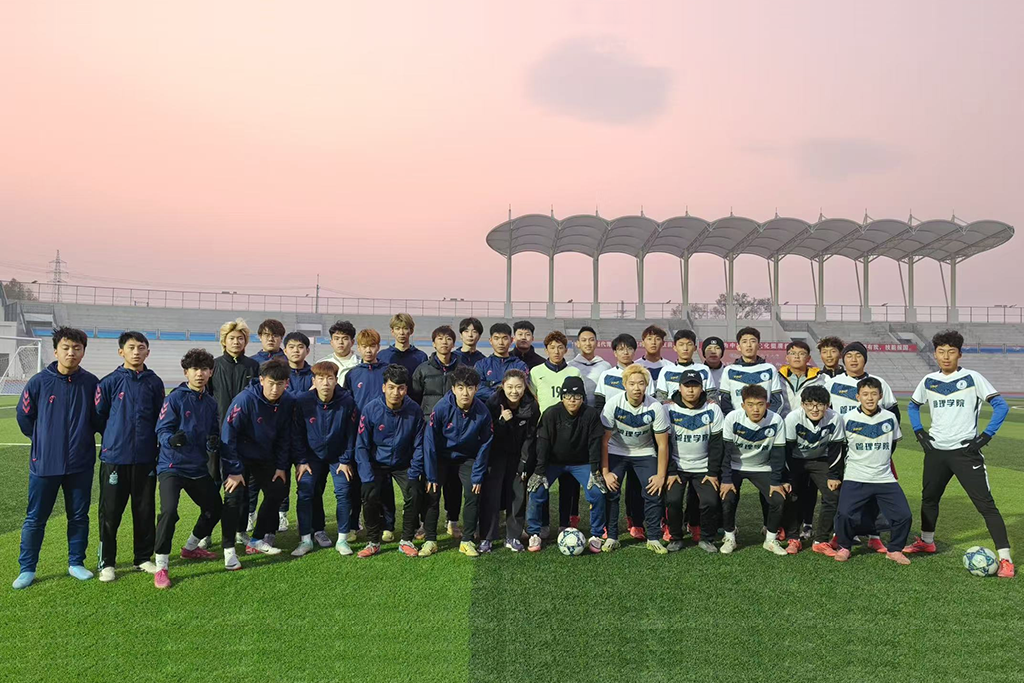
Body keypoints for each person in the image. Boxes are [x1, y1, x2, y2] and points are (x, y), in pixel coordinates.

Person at [903, 330, 1013, 577]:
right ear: (935, 354)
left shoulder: (972, 378)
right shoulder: (929, 380)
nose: (946, 356)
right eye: (941, 351)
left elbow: (1000, 406)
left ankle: (1005, 559)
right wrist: (919, 432)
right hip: (936, 452)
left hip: (965, 453)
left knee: (986, 505)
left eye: (951, 352)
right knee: (929, 499)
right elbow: (913, 406)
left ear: (959, 354)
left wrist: (985, 436)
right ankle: (927, 542)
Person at [13, 327, 100, 590]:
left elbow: (98, 419)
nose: (71, 352)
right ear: (55, 351)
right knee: (35, 518)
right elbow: (24, 417)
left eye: (76, 348)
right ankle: (27, 568)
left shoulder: (91, 383)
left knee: (79, 516)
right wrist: (43, 441)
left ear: (83, 352)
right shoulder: (38, 382)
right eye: (66, 348)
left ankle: (76, 563)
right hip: (44, 464)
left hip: (80, 463)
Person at [152, 349, 233, 588]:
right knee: (169, 512)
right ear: (186, 372)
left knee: (215, 508)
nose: (200, 374)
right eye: (195, 369)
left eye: (204, 369)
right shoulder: (175, 398)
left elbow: (212, 432)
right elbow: (162, 429)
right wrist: (170, 440)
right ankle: (161, 566)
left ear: (211, 372)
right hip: (172, 466)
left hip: (197, 467)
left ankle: (190, 547)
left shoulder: (210, 402)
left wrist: (212, 442)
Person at [94, 331, 165, 582]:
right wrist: (115, 438)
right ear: (121, 351)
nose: (136, 352)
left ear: (148, 352)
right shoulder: (109, 382)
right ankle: (107, 562)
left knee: (144, 511)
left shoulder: (154, 382)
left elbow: (159, 416)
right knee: (110, 513)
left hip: (145, 458)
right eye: (131, 347)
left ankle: (143, 558)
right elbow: (99, 416)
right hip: (115, 458)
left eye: (141, 347)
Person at [220, 360, 299, 556]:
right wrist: (234, 470)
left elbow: (285, 436)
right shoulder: (245, 399)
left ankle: (256, 539)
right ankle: (230, 544)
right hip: (239, 456)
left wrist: (281, 466)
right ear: (262, 380)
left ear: (286, 383)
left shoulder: (287, 401)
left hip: (264, 457)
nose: (275, 389)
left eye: (280, 384)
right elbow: (228, 434)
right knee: (235, 496)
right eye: (271, 383)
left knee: (278, 490)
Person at [415, 365, 493, 557]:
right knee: (432, 492)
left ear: (476, 388)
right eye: (460, 387)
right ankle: (430, 540)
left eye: (470, 388)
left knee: (473, 492)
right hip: (442, 457)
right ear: (453, 389)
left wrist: (477, 475)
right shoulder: (442, 407)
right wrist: (431, 475)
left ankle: (467, 541)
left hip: (467, 457)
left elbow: (485, 444)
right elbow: (430, 442)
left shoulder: (482, 411)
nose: (465, 393)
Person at [834, 377, 912, 565]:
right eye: (865, 394)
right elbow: (840, 448)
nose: (869, 398)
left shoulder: (890, 418)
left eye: (874, 394)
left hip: (884, 477)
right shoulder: (847, 419)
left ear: (880, 396)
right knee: (844, 514)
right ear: (858, 396)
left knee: (904, 515)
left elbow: (892, 444)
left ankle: (894, 550)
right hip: (855, 476)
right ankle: (844, 546)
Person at [527, 376, 606, 554]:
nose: (572, 400)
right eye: (568, 396)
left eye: (577, 396)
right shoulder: (551, 413)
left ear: (583, 398)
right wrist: (539, 470)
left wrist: (595, 470)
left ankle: (596, 534)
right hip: (553, 462)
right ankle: (534, 532)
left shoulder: (591, 414)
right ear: (562, 397)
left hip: (582, 463)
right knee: (536, 490)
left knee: (597, 492)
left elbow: (595, 444)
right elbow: (543, 443)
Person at [355, 364, 426, 558]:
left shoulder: (414, 410)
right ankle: (373, 542)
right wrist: (367, 475)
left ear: (406, 389)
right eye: (392, 387)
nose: (396, 393)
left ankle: (406, 540)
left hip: (403, 463)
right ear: (384, 387)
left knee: (415, 492)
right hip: (377, 464)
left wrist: (414, 472)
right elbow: (361, 445)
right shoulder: (371, 409)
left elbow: (419, 445)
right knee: (369, 494)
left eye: (400, 388)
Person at [600, 364, 670, 555]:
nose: (636, 388)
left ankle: (653, 538)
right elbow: (604, 441)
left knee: (653, 490)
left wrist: (660, 476)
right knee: (611, 491)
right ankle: (612, 537)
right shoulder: (613, 404)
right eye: (632, 384)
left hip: (644, 451)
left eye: (640, 383)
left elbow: (662, 445)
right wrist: (605, 473)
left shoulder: (655, 407)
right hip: (616, 450)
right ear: (624, 385)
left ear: (646, 385)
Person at [292, 361, 359, 556]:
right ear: (313, 381)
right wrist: (301, 461)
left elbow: (351, 433)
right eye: (320, 378)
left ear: (336, 380)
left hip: (338, 456)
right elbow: (297, 434)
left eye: (330, 378)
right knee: (305, 492)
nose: (325, 383)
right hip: (311, 457)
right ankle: (305, 540)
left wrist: (345, 460)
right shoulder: (303, 401)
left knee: (343, 492)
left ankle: (342, 539)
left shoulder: (347, 401)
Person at [207, 317, 260, 549]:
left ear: (246, 341)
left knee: (242, 487)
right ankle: (206, 532)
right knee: (212, 485)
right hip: (216, 436)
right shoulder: (213, 365)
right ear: (223, 341)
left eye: (240, 338)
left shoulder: (253, 366)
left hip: (243, 438)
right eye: (232, 338)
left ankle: (240, 531)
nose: (236, 342)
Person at [719, 384, 789, 556]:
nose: (755, 409)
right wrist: (726, 479)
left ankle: (770, 539)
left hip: (763, 466)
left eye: (760, 404)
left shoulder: (776, 420)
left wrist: (776, 481)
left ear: (767, 405)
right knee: (727, 497)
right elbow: (725, 452)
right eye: (750, 405)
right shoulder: (732, 418)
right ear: (743, 405)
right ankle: (730, 536)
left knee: (778, 498)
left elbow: (779, 453)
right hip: (735, 465)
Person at [594, 333, 649, 540]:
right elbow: (599, 404)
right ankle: (608, 526)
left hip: (638, 440)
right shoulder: (607, 375)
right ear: (614, 352)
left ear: (635, 351)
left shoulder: (643, 375)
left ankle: (636, 522)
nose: (625, 352)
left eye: (629, 348)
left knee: (636, 486)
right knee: (611, 485)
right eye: (620, 349)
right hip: (613, 440)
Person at [412, 325, 464, 537]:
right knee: (430, 481)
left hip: (455, 434)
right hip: (430, 434)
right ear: (433, 343)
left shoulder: (462, 369)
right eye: (440, 338)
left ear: (454, 343)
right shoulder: (422, 369)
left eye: (448, 339)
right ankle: (426, 523)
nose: (444, 342)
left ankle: (452, 521)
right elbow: (415, 400)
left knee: (454, 482)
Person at [664, 370, 724, 554]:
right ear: (679, 388)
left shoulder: (712, 409)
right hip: (677, 467)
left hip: (703, 467)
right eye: (687, 386)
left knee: (710, 502)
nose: (691, 390)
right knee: (673, 500)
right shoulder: (668, 410)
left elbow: (717, 444)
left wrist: (712, 472)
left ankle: (706, 538)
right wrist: (671, 471)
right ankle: (676, 537)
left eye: (695, 386)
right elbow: (664, 444)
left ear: (702, 388)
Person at [782, 386, 845, 556]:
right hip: (796, 459)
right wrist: (788, 478)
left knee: (833, 495)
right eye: (810, 404)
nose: (815, 409)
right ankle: (793, 537)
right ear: (802, 404)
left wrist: (833, 475)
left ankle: (821, 540)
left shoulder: (835, 418)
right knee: (792, 493)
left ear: (827, 405)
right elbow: (786, 450)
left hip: (821, 460)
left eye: (820, 404)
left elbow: (836, 449)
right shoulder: (793, 418)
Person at [344, 328, 394, 540]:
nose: (368, 350)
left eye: (372, 346)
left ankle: (387, 525)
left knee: (385, 483)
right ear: (358, 348)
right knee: (358, 483)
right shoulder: (352, 374)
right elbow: (348, 406)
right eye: (364, 346)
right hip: (361, 436)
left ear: (378, 347)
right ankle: (354, 525)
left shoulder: (387, 371)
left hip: (384, 436)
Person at [529, 331, 583, 531]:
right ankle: (543, 524)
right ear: (546, 350)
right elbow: (535, 398)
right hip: (545, 433)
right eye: (552, 347)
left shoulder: (574, 372)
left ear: (566, 350)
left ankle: (564, 524)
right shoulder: (536, 372)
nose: (556, 351)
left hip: (569, 433)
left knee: (568, 483)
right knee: (542, 480)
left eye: (560, 347)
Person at [481, 369, 538, 552]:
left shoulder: (531, 405)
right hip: (496, 455)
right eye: (510, 387)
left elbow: (530, 438)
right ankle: (487, 537)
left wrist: (524, 463)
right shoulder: (493, 402)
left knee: (517, 495)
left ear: (524, 387)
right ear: (503, 386)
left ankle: (513, 536)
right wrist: (501, 421)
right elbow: (488, 434)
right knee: (492, 495)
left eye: (518, 387)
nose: (514, 391)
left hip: (518, 455)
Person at [718, 326, 785, 416]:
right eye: (744, 341)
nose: (749, 345)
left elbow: (777, 401)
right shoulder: (729, 370)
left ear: (759, 345)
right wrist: (737, 419)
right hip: (738, 422)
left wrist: (765, 418)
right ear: (738, 347)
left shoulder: (769, 369)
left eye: (753, 341)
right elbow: (724, 402)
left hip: (765, 421)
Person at [474, 322, 528, 403]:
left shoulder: (520, 365)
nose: (501, 343)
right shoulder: (481, 365)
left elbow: (524, 388)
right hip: (488, 408)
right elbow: (477, 388)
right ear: (490, 340)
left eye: (505, 338)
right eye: (496, 338)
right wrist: (500, 394)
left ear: (511, 340)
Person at [656, 329, 716, 400]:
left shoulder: (704, 370)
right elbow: (660, 399)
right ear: (675, 348)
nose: (685, 348)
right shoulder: (666, 371)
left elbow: (712, 398)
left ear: (695, 348)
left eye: (689, 344)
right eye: (681, 344)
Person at [567, 326, 611, 407]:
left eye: (591, 340)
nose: (588, 343)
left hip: (600, 410)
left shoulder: (605, 366)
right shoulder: (570, 366)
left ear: (596, 343)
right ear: (577, 344)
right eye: (584, 340)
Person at [779, 340, 825, 415]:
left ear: (808, 358)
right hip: (782, 420)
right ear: (787, 357)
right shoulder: (778, 378)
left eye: (801, 354)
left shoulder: (819, 379)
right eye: (793, 353)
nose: (797, 357)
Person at [378, 313, 428, 379]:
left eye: (405, 328)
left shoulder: (421, 357)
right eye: (397, 328)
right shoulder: (382, 356)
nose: (401, 333)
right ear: (392, 331)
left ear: (411, 331)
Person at [317, 320, 361, 385]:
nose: (340, 342)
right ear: (331, 342)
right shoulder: (322, 364)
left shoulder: (360, 363)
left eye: (345, 338)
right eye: (336, 338)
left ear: (352, 342)